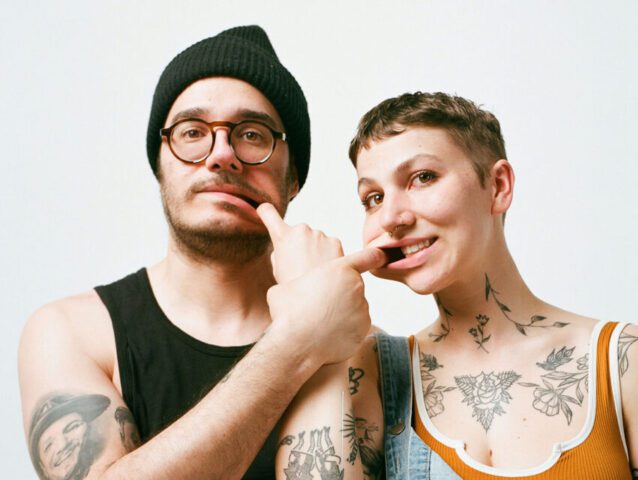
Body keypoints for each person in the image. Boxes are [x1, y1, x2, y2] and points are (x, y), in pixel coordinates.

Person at [19, 25, 385, 479]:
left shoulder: (360, 346)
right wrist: (297, 341)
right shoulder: (71, 332)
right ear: (160, 165)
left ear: (293, 178)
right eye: (192, 132)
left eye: (252, 135)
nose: (221, 154)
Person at [346, 92, 638, 479]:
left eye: (422, 178)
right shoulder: (371, 373)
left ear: (498, 185)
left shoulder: (626, 360)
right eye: (373, 198)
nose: (391, 218)